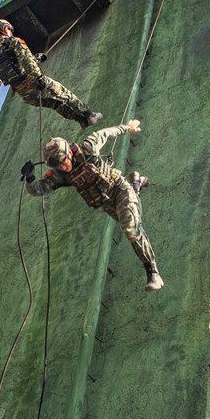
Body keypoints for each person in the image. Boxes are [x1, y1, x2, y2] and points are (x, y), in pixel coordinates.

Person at [20, 119, 163, 291]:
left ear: (69, 153)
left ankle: (153, 272)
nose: (64, 167)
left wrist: (129, 127)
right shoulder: (60, 174)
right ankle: (136, 184)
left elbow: (107, 132)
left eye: (64, 161)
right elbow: (38, 190)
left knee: (130, 228)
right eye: (59, 165)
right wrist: (30, 178)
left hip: (119, 189)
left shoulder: (87, 147)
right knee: (131, 220)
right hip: (105, 202)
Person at [0, 19, 102, 130]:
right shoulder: (12, 42)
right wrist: (39, 77)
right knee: (65, 94)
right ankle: (89, 115)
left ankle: (81, 121)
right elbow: (26, 60)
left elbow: (14, 67)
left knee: (56, 104)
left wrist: (36, 59)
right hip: (33, 82)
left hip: (24, 94)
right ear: (5, 29)